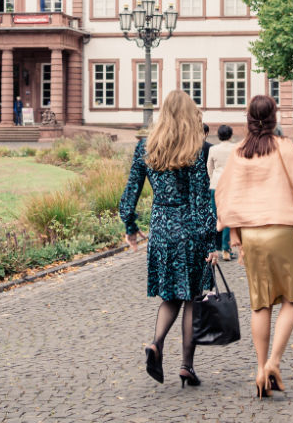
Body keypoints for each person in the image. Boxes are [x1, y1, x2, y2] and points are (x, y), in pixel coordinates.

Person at [215, 95, 293, 398]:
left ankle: (260, 368)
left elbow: (226, 193)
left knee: (260, 303)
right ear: (274, 117)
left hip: (252, 235)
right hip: (282, 230)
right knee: (291, 299)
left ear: (248, 118)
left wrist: (234, 231)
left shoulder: (239, 152)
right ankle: (275, 362)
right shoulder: (284, 148)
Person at [119, 90, 222, 388]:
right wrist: (212, 242)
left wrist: (130, 226)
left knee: (170, 296)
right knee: (192, 298)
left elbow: (129, 195)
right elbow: (202, 201)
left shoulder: (145, 147)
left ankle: (156, 343)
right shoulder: (197, 149)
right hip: (191, 230)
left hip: (162, 229)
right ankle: (186, 366)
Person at [206, 124, 237, 260]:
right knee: (227, 217)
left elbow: (209, 167)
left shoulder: (213, 149)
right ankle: (226, 248)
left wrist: (213, 178)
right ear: (230, 135)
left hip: (216, 185)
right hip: (230, 184)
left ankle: (213, 247)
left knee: (216, 215)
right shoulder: (235, 148)